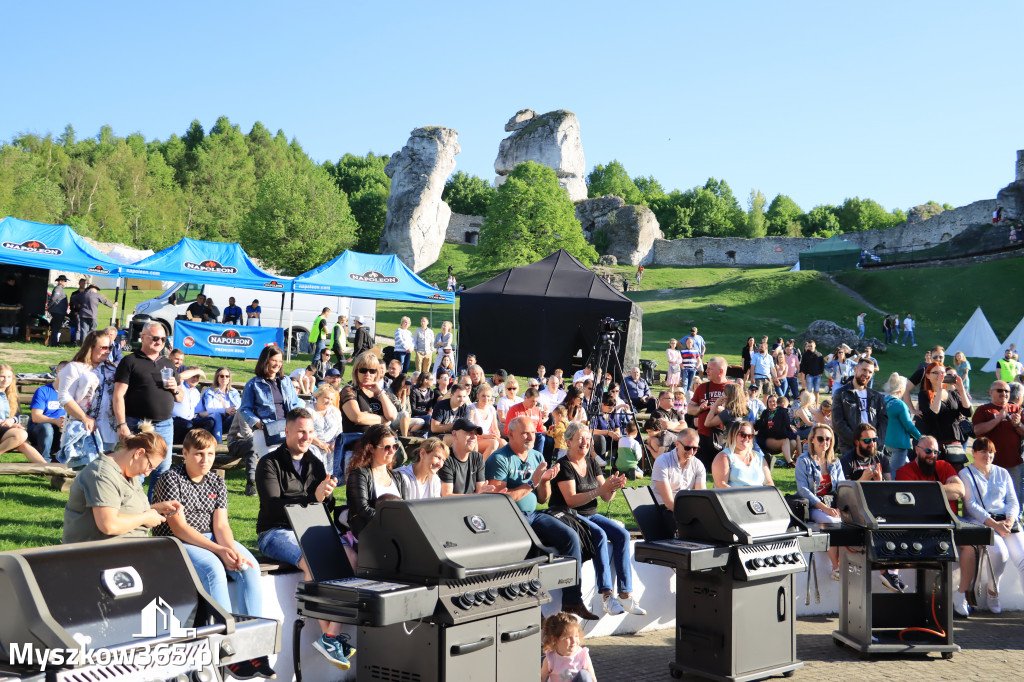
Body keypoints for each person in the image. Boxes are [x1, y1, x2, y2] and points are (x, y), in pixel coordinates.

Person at [150, 428, 272, 679]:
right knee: (214, 569)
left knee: (249, 566)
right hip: (176, 541)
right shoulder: (171, 479)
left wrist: (228, 550)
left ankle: (254, 647)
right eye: (198, 454)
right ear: (184, 454)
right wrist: (219, 552)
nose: (205, 460)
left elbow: (222, 525)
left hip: (212, 537)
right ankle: (226, 648)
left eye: (210, 454)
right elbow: (179, 527)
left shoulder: (217, 480)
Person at [255, 407, 353, 669]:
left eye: (310, 432)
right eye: (300, 432)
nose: (306, 437)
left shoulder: (316, 463)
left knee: (352, 557)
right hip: (276, 531)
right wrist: (315, 497)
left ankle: (331, 636)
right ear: (286, 431)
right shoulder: (269, 463)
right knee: (313, 562)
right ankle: (328, 637)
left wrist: (327, 495)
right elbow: (275, 508)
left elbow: (325, 508)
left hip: (311, 528)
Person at [485, 417, 594, 620]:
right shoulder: (500, 458)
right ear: (510, 435)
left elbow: (544, 499)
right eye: (525, 432)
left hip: (533, 515)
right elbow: (498, 501)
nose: (531, 436)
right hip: (510, 517)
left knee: (570, 536)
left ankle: (572, 599)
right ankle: (532, 611)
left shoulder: (536, 456)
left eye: (533, 432)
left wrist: (544, 482)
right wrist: (532, 482)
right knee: (530, 547)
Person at [550, 424, 645, 619]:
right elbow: (571, 500)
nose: (585, 442)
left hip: (590, 514)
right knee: (599, 534)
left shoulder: (592, 463)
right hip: (568, 514)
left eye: (587, 438)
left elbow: (606, 498)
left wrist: (614, 486)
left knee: (622, 535)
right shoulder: (564, 465)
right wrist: (600, 491)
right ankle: (606, 595)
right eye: (580, 438)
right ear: (568, 442)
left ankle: (625, 594)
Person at [62, 422, 182, 543]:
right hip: (97, 554)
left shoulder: (128, 471)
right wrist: (146, 517)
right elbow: (109, 525)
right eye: (150, 466)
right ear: (139, 453)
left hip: (125, 550)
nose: (147, 474)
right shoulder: (102, 474)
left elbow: (122, 509)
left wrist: (155, 509)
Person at [955, 436, 1024, 617]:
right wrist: (993, 524)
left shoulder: (1002, 472)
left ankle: (993, 589)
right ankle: (993, 591)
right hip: (982, 521)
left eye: (991, 452)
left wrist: (1009, 520)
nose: (988, 456)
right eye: (983, 452)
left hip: (1007, 521)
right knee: (999, 552)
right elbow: (970, 505)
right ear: (974, 453)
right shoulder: (966, 474)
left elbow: (1012, 500)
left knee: (1022, 559)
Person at [112, 322, 182, 496]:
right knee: (137, 468)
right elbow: (118, 395)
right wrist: (121, 424)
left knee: (162, 469)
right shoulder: (130, 361)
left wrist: (175, 388)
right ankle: (130, 508)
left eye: (163, 339)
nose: (159, 342)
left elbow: (180, 398)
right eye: (155, 338)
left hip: (165, 425)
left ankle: (152, 511)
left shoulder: (168, 363)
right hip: (138, 423)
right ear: (142, 337)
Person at [239, 345, 305, 490]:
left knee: (289, 469)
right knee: (271, 469)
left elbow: (294, 404)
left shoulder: (286, 381)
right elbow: (245, 409)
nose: (277, 364)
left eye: (280, 361)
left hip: (287, 430)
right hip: (265, 432)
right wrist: (258, 424)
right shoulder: (253, 384)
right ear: (265, 361)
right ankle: (270, 501)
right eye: (274, 360)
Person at [795, 423, 844, 579]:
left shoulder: (835, 462)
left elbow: (842, 487)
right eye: (821, 438)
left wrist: (844, 507)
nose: (825, 442)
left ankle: (841, 566)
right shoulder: (804, 461)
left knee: (852, 522)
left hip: (832, 503)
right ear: (812, 440)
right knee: (833, 522)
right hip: (813, 506)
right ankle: (836, 567)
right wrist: (824, 508)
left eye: (828, 439)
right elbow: (803, 490)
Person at [337, 352, 398, 479]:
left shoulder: (381, 394)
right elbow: (357, 417)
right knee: (358, 494)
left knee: (378, 492)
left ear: (378, 373)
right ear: (356, 371)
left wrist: (380, 392)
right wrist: (383, 420)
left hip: (380, 451)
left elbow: (392, 416)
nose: (367, 375)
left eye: (372, 371)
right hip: (356, 450)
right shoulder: (349, 391)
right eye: (363, 370)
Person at [345, 423, 408, 537]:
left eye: (395, 447)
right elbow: (362, 510)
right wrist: (394, 521)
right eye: (387, 448)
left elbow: (406, 507)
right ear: (371, 448)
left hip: (397, 534)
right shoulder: (359, 475)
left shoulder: (398, 477)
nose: (392, 451)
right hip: (369, 535)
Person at [972, 380, 1024, 512]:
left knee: (1014, 496)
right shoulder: (983, 409)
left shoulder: (1016, 410)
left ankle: (1014, 522)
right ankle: (990, 523)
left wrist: (1018, 425)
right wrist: (998, 419)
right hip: (988, 463)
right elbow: (977, 430)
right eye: (1000, 390)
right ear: (991, 392)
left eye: (1007, 391)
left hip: (1013, 463)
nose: (1004, 394)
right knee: (989, 498)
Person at [918, 361, 972, 468]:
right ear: (928, 376)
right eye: (936, 373)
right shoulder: (924, 394)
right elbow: (933, 413)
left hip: (954, 445)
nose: (940, 376)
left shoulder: (954, 394)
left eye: (943, 373)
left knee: (956, 477)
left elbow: (968, 412)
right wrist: (939, 390)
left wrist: (961, 390)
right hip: (935, 445)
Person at [896, 435, 965, 516]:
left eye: (936, 452)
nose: (932, 455)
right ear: (917, 450)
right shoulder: (904, 472)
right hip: (922, 522)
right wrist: (946, 491)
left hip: (951, 521)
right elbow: (910, 500)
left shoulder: (945, 466)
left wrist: (923, 492)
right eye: (928, 451)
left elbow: (960, 490)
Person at [651, 428, 706, 529]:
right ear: (677, 444)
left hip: (688, 508)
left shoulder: (698, 465)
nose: (691, 452)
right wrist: (690, 515)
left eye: (695, 448)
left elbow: (701, 496)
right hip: (663, 509)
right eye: (687, 447)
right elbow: (668, 502)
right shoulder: (662, 461)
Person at [833, 357, 887, 454]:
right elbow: (838, 422)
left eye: (870, 372)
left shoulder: (877, 397)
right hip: (850, 447)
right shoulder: (841, 394)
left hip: (873, 447)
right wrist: (858, 442)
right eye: (864, 370)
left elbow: (883, 423)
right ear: (855, 369)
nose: (866, 374)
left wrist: (875, 443)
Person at [687, 356, 729, 470]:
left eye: (710, 368)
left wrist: (724, 412)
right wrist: (700, 409)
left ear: (720, 371)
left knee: (721, 469)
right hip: (703, 437)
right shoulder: (702, 387)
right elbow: (689, 409)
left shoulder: (732, 387)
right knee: (702, 469)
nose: (706, 371)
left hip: (724, 436)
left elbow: (741, 410)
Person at [0, 364, 46, 463]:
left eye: (9, 377)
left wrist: (12, 420)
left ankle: (52, 473)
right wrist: (7, 424)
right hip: (3, 429)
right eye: (2, 376)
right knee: (20, 435)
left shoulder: (12, 395)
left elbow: (18, 415)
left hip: (5, 431)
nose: (5, 380)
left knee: (23, 445)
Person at [712, 422, 773, 488]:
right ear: (733, 435)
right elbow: (721, 485)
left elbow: (769, 483)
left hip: (759, 496)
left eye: (750, 436)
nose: (747, 438)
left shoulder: (759, 457)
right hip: (734, 497)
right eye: (743, 435)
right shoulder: (724, 457)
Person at [540, 612, 596, 682]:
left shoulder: (583, 655)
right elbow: (541, 678)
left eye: (576, 636)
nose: (574, 641)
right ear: (555, 639)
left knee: (584, 675)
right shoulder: (551, 659)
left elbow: (593, 679)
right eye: (568, 638)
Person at [883, 373, 922, 473]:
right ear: (901, 390)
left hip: (887, 441)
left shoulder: (884, 400)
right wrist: (920, 438)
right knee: (895, 472)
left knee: (906, 467)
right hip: (900, 444)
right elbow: (908, 425)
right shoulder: (900, 405)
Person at [27, 363, 66, 459]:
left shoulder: (72, 393)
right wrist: (55, 421)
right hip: (39, 430)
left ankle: (64, 461)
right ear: (59, 373)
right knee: (47, 428)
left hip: (61, 429)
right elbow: (36, 417)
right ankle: (44, 462)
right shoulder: (43, 391)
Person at [171, 368, 217, 444]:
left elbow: (201, 413)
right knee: (187, 425)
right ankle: (178, 447)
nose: (195, 379)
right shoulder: (180, 385)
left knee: (210, 422)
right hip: (176, 420)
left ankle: (199, 444)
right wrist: (198, 371)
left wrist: (220, 410)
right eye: (193, 376)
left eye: (197, 377)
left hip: (190, 420)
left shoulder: (196, 392)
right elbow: (180, 376)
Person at [505, 387, 551, 461]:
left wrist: (550, 432)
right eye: (532, 401)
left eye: (536, 402)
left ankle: (548, 463)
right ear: (525, 398)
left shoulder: (536, 410)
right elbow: (507, 429)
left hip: (535, 435)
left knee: (550, 440)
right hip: (521, 435)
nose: (534, 404)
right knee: (541, 438)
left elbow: (540, 429)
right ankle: (537, 462)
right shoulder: (514, 409)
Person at [308, 383, 343, 474]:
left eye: (331, 399)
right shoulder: (308, 411)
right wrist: (320, 444)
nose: (329, 401)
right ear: (318, 396)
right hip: (312, 446)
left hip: (331, 449)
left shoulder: (335, 411)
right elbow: (306, 432)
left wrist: (336, 442)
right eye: (326, 398)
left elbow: (340, 430)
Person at [200, 367, 240, 443]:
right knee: (216, 414)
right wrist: (225, 410)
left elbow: (239, 406)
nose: (224, 378)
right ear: (217, 378)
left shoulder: (234, 392)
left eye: (227, 376)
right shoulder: (210, 392)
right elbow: (209, 408)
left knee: (241, 414)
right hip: (213, 421)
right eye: (221, 376)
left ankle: (240, 444)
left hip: (228, 421)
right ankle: (219, 443)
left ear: (229, 378)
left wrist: (232, 410)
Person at [470, 383, 505, 457]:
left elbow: (495, 428)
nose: (486, 399)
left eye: (488, 396)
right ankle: (481, 466)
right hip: (475, 439)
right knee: (494, 443)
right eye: (483, 396)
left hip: (488, 438)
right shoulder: (471, 409)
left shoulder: (492, 409)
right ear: (478, 395)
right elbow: (471, 429)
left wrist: (496, 434)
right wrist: (486, 436)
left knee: (504, 443)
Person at [46, 274, 69, 346]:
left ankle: (53, 342)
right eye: (65, 281)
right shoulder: (58, 289)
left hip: (59, 311)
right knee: (56, 328)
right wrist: (49, 306)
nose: (66, 282)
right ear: (60, 281)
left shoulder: (60, 289)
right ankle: (53, 343)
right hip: (58, 312)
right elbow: (53, 299)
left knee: (56, 327)